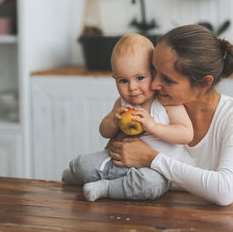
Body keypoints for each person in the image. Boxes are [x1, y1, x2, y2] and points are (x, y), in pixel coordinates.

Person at [107, 24, 233, 206]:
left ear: (203, 83)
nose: (153, 85)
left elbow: (224, 190)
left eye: (168, 79)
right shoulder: (151, 107)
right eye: (153, 71)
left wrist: (151, 159)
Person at [62, 33, 193, 201]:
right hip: (118, 162)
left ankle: (106, 188)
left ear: (155, 72)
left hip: (154, 171)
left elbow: (186, 134)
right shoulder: (122, 103)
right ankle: (78, 173)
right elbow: (104, 131)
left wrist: (154, 126)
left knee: (150, 185)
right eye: (123, 81)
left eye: (139, 78)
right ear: (114, 78)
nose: (132, 88)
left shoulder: (166, 102)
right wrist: (113, 120)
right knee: (83, 164)